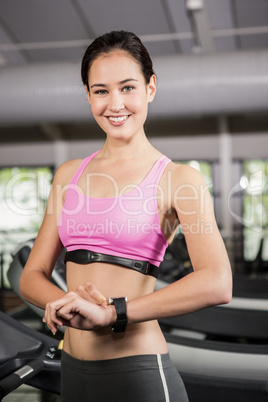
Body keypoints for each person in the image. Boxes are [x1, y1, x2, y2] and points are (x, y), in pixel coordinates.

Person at [20, 30, 232, 402]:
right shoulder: (68, 175)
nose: (114, 103)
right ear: (88, 96)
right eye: (100, 90)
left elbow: (217, 282)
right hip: (73, 371)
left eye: (128, 87)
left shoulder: (179, 179)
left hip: (139, 372)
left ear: (151, 87)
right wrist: (64, 304)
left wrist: (111, 313)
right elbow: (31, 276)